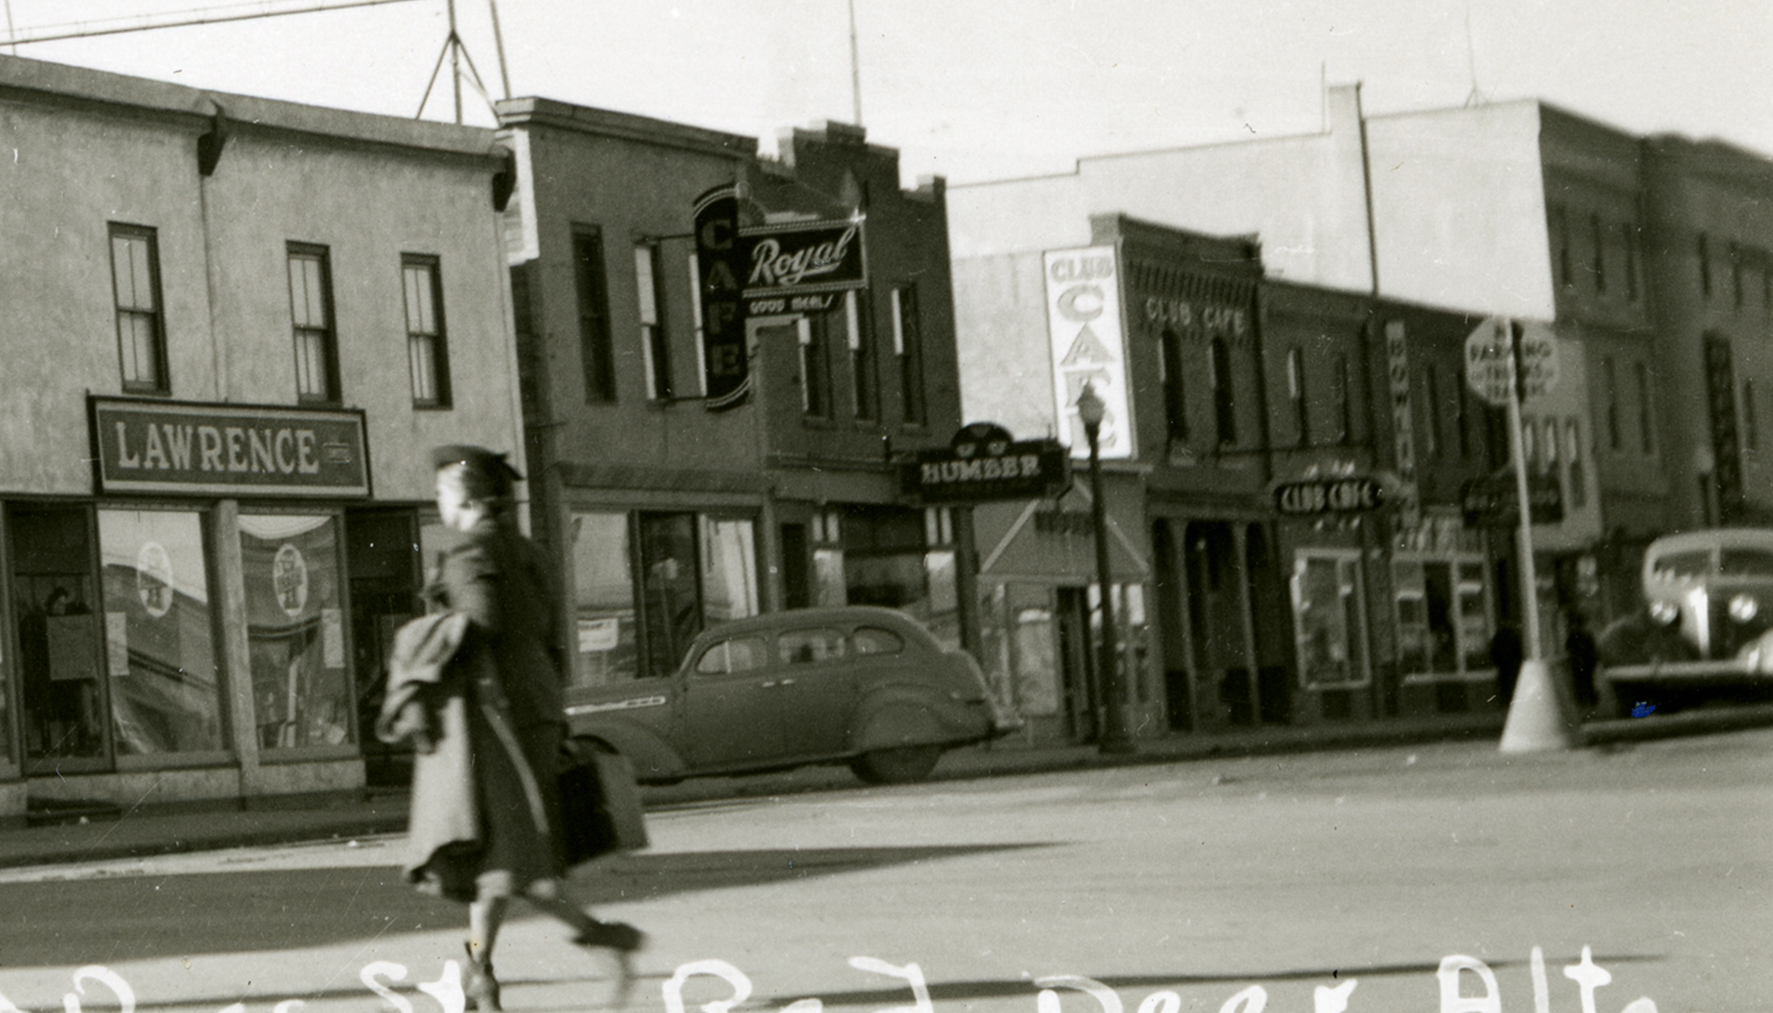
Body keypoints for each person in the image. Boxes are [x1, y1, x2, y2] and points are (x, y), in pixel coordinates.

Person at [380, 445, 643, 1011]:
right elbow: (544, 629)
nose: (439, 504)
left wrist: (418, 642)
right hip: (537, 705)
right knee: (502, 860)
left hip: (498, 717)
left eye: (443, 494)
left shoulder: (468, 550)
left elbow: (480, 619)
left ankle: (602, 940)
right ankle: (481, 977)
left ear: (469, 498)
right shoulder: (527, 551)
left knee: (511, 862)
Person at [1564, 610, 1599, 714]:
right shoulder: (1586, 636)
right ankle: (1589, 703)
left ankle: (1586, 704)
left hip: (1580, 663)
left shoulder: (1574, 636)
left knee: (1582, 684)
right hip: (1586, 663)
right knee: (1587, 683)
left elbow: (1568, 649)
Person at [1490, 622, 1523, 708]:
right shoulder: (1514, 637)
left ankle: (1505, 703)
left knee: (1505, 686)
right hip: (1512, 666)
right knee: (1513, 684)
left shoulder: (1498, 638)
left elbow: (1493, 652)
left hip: (1504, 667)